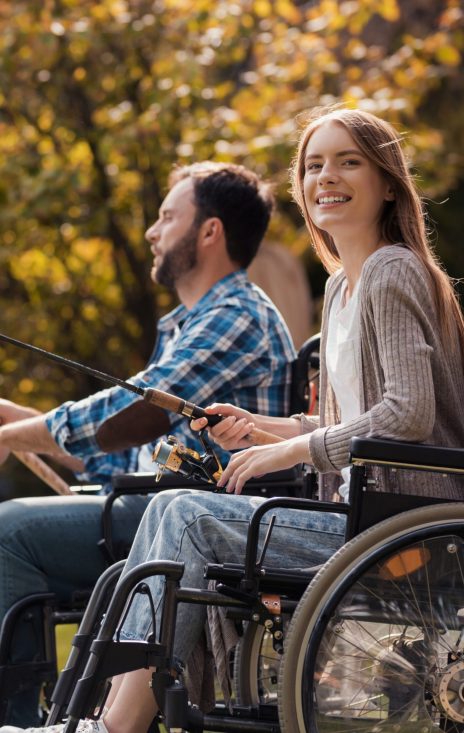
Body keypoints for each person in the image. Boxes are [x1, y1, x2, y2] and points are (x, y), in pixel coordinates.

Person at [5, 105, 464, 733]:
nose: (326, 176)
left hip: (401, 532)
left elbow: (408, 417)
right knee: (176, 509)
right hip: (361, 519)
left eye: (348, 161)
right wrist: (262, 427)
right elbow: (348, 425)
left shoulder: (392, 270)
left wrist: (288, 453)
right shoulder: (340, 287)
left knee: (187, 514)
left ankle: (115, 724)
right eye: (314, 165)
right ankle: (99, 715)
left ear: (388, 181)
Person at [0, 162, 296, 727]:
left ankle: (21, 720)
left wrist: (12, 435)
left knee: (9, 531)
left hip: (202, 518)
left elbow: (131, 418)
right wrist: (18, 421)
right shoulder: (191, 323)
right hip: (153, 502)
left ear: (209, 231)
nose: (151, 233)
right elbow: (122, 453)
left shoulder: (235, 315)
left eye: (166, 216)